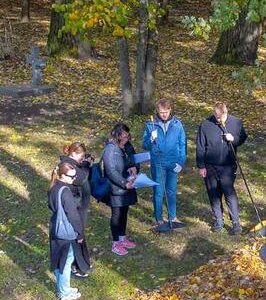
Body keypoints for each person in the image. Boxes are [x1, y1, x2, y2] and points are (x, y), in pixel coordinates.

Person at [196, 102, 248, 234]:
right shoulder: (205, 124)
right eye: (217, 117)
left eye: (221, 117)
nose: (219, 120)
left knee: (229, 193)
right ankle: (219, 219)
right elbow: (200, 146)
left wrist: (233, 139)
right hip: (210, 165)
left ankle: (235, 222)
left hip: (228, 165)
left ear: (226, 113)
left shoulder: (236, 122)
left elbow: (243, 137)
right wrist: (201, 166)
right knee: (213, 193)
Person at [142, 98, 186, 228]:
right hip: (158, 163)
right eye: (161, 112)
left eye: (166, 112)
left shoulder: (177, 124)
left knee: (171, 190)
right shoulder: (151, 125)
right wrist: (151, 139)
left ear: (170, 110)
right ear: (157, 111)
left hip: (173, 163)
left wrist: (181, 162)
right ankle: (159, 219)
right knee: (159, 191)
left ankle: (173, 216)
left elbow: (182, 144)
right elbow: (145, 145)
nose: (164, 115)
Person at [49, 162, 84, 300]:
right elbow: (73, 216)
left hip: (55, 228)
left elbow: (51, 206)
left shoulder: (53, 187)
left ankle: (63, 288)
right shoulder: (66, 192)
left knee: (58, 261)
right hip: (65, 231)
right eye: (71, 177)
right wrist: (80, 233)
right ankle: (64, 293)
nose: (74, 179)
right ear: (62, 176)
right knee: (66, 262)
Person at [102, 123, 139, 255]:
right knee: (117, 215)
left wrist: (134, 167)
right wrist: (124, 183)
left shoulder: (127, 146)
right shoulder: (110, 149)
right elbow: (111, 171)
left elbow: (133, 159)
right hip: (116, 188)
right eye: (123, 136)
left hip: (128, 184)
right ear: (117, 136)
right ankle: (115, 242)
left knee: (124, 212)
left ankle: (122, 238)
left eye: (127, 136)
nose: (126, 139)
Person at [60, 142, 93, 277]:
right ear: (73, 153)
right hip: (75, 206)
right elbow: (81, 178)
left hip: (80, 206)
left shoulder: (74, 164)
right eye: (81, 156)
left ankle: (83, 263)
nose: (82, 158)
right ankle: (77, 266)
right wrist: (86, 165)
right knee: (77, 236)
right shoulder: (68, 166)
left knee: (80, 235)